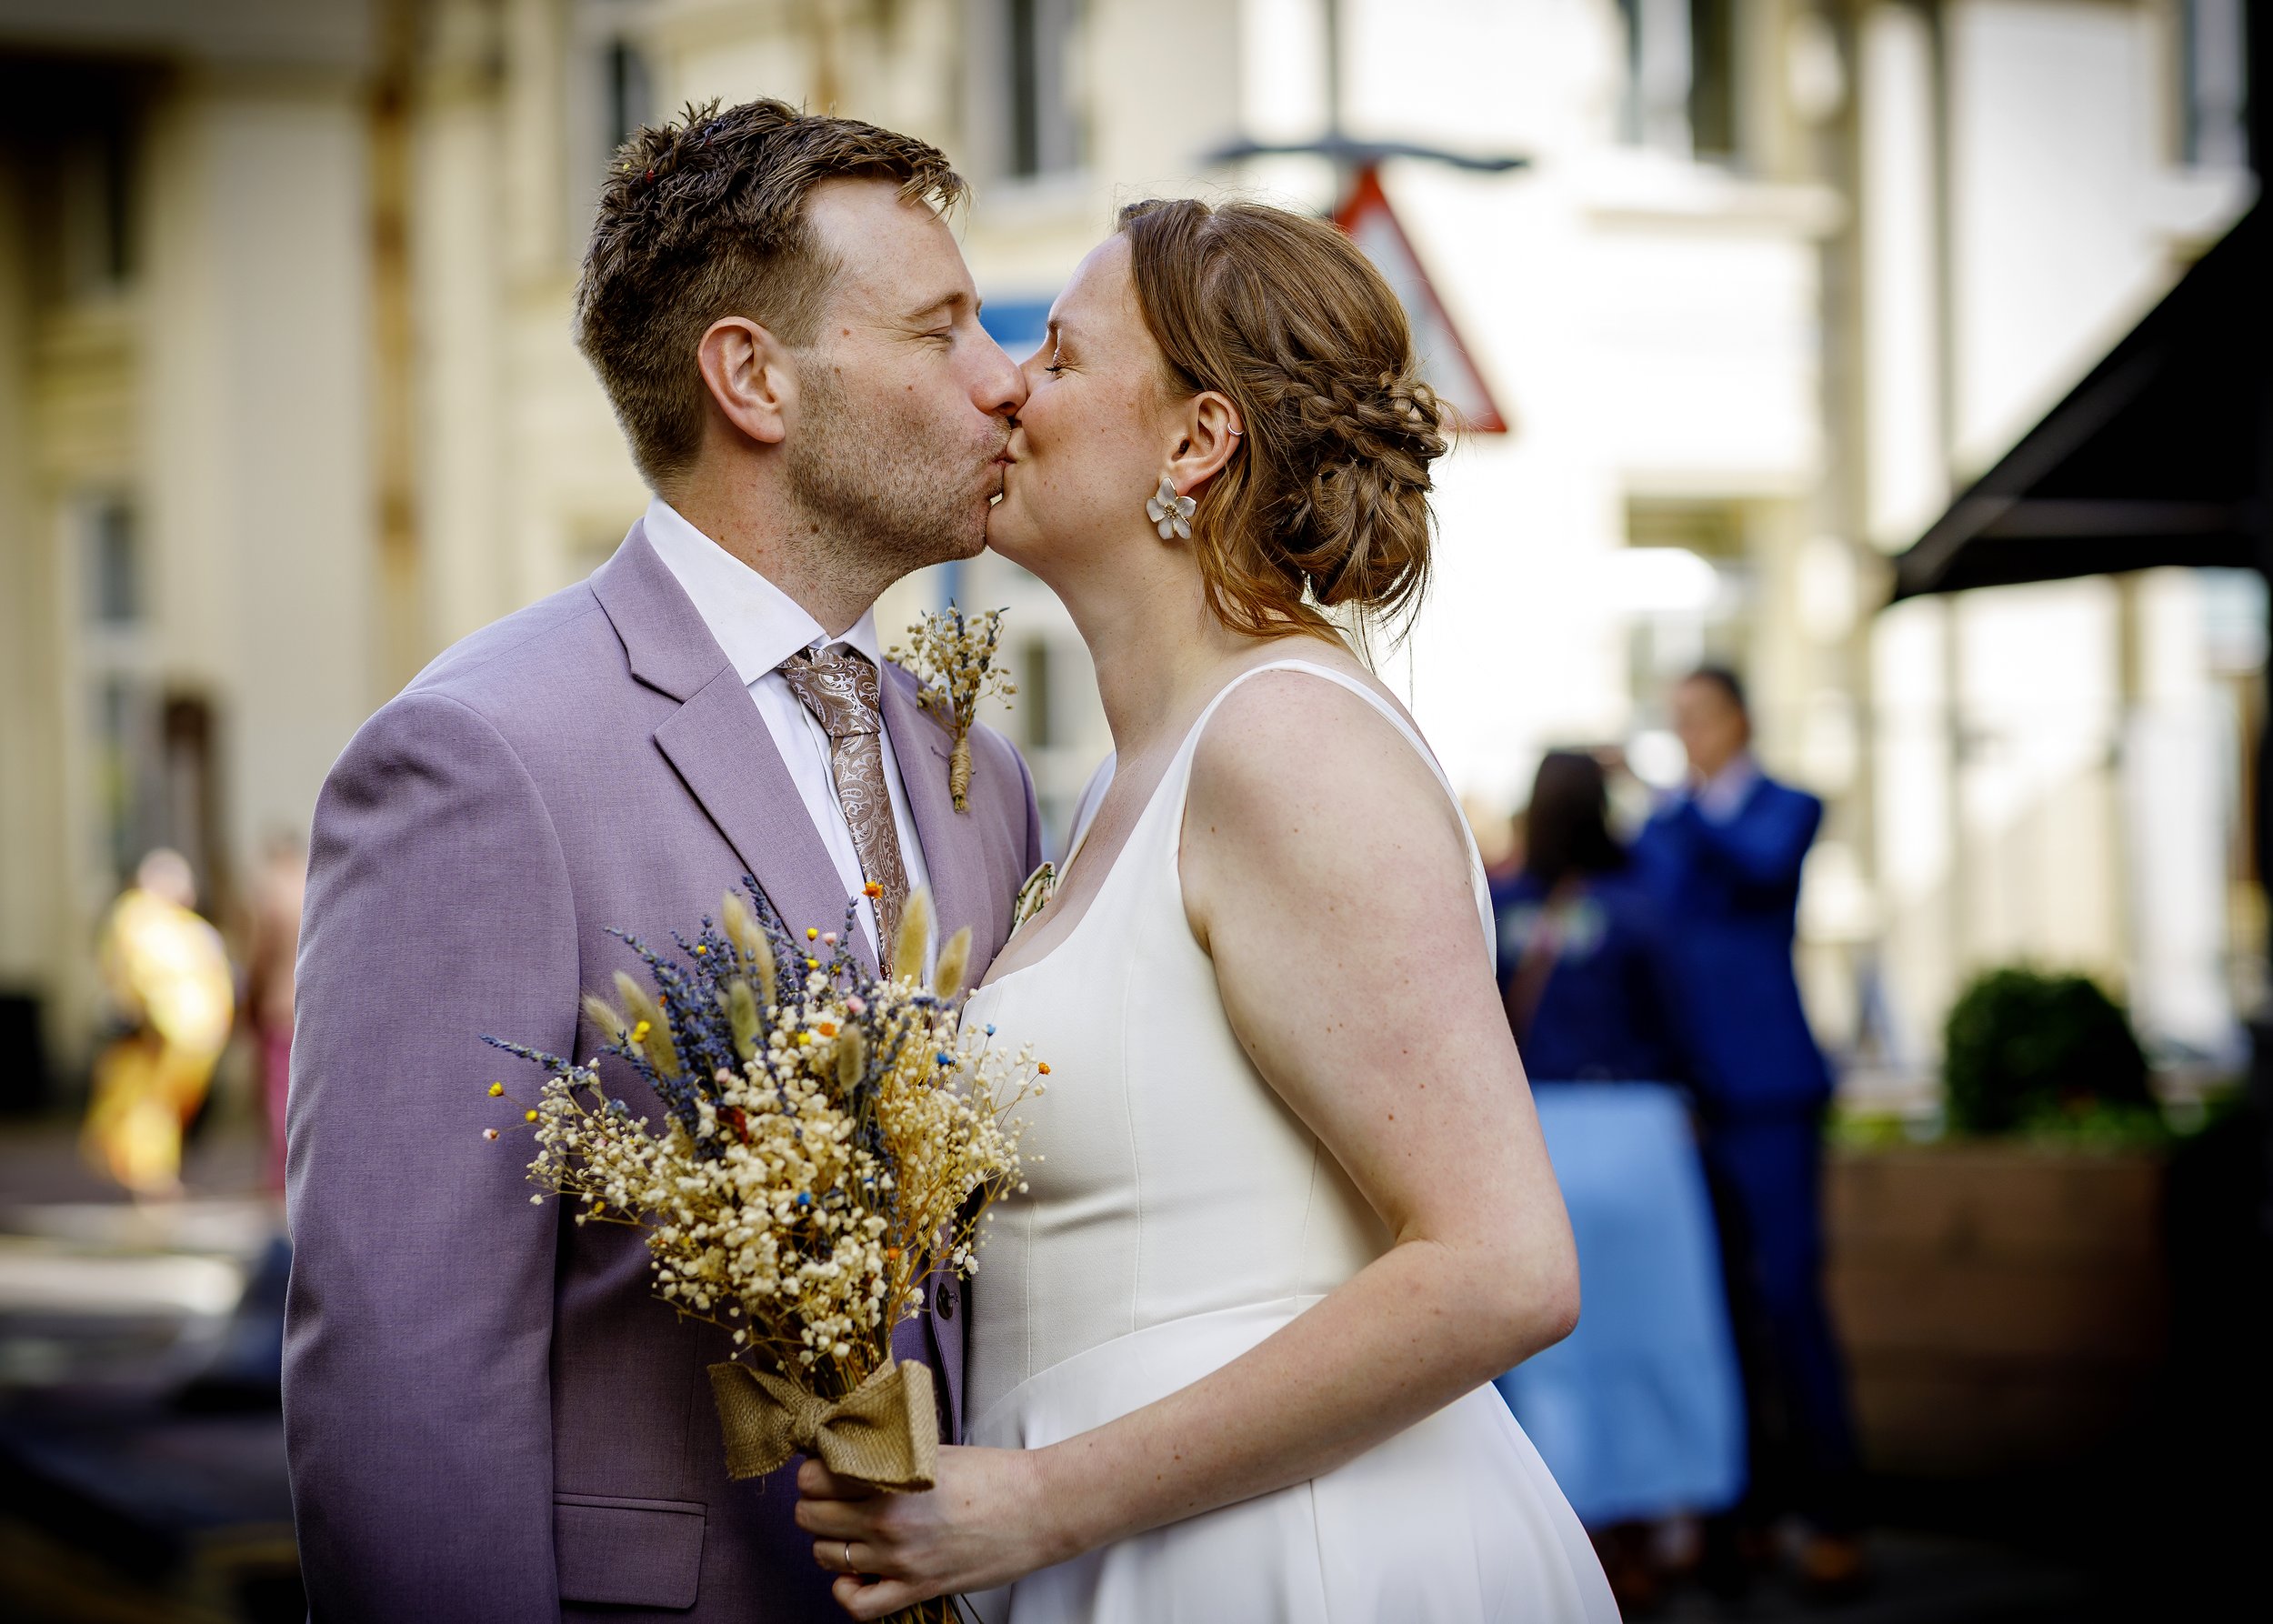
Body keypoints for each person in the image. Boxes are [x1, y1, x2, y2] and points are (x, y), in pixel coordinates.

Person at [788, 200, 1616, 1621]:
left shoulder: (1286, 743)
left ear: (1195, 441)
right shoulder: (1125, 780)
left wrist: (1040, 1502)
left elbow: (1504, 1264)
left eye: (1055, 352)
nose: (1001, 384)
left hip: (1304, 1561)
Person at [284, 101, 1042, 1620]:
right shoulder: (482, 759)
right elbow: (406, 1358)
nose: (1005, 378)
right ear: (754, 378)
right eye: (942, 328)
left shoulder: (980, 775)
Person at [1490, 751, 1746, 1610]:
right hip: (1637, 1139)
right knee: (1656, 1340)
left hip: (1538, 1139)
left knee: (1559, 1360)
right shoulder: (1641, 910)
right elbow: (1687, 1027)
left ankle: (1572, 1547)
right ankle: (1645, 1542)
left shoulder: (1498, 909)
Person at [1631, 666, 1866, 1594]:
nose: (1684, 735)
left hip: (1769, 1092)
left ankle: (1835, 1510)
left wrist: (1671, 809)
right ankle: (1746, 1508)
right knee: (1716, 1310)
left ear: (1738, 720)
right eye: (1673, 719)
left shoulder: (1784, 808)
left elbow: (1756, 866)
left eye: (1695, 717)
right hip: (1691, 1097)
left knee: (1789, 1300)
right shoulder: (1663, 827)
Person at [84, 847, 235, 1198]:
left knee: (161, 1107)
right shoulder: (138, 918)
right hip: (164, 1032)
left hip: (188, 1035)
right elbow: (136, 975)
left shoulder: (177, 923)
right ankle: (149, 1179)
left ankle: (153, 1174)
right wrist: (148, 1019)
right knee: (147, 1106)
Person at [240, 833, 305, 1191]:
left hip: (279, 1009)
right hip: (310, 1011)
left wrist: (247, 1004)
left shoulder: (272, 896)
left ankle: (281, 1176)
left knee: (279, 1096)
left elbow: (259, 958)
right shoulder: (312, 887)